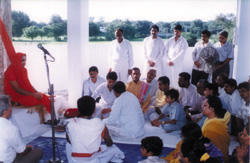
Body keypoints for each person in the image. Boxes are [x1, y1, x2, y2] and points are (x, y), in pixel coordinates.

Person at [66, 96, 124, 163]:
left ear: (78, 110)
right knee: (114, 149)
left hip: (75, 160)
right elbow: (109, 143)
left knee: (68, 145)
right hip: (94, 161)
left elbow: (70, 141)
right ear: (94, 110)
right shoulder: (99, 123)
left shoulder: (70, 124)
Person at [0, 95, 43, 163]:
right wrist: (28, 148)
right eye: (11, 107)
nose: (12, 110)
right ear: (5, 112)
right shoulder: (10, 128)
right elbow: (22, 151)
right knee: (38, 152)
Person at [202, 95, 230, 163]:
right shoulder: (208, 120)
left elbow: (211, 148)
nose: (202, 107)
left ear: (212, 109)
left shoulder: (214, 125)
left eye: (205, 105)